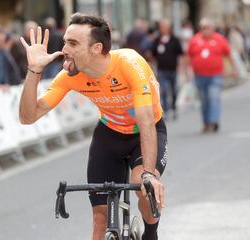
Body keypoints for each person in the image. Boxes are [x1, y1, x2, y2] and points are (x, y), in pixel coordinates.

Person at [19, 13, 167, 240]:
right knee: (100, 217)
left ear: (96, 48)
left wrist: (149, 174)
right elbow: (28, 117)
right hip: (109, 134)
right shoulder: (70, 75)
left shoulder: (129, 63)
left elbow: (146, 121)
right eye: (65, 41)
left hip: (144, 133)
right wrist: (34, 71)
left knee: (143, 187)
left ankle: (150, 234)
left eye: (73, 43)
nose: (64, 49)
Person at [187, 18, 238, 133]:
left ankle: (213, 122)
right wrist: (186, 71)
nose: (205, 30)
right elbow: (188, 56)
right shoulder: (195, 40)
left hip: (215, 75)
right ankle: (206, 122)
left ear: (213, 29)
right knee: (204, 100)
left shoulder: (220, 39)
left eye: (207, 28)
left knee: (213, 98)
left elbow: (228, 55)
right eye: (203, 28)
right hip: (199, 76)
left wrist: (235, 69)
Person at [151, 19, 183, 120]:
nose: (163, 29)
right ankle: (165, 108)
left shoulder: (174, 39)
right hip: (161, 69)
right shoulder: (157, 40)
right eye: (162, 27)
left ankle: (173, 107)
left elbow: (180, 53)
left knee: (174, 90)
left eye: (165, 27)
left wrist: (180, 66)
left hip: (173, 69)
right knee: (163, 90)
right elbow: (152, 53)